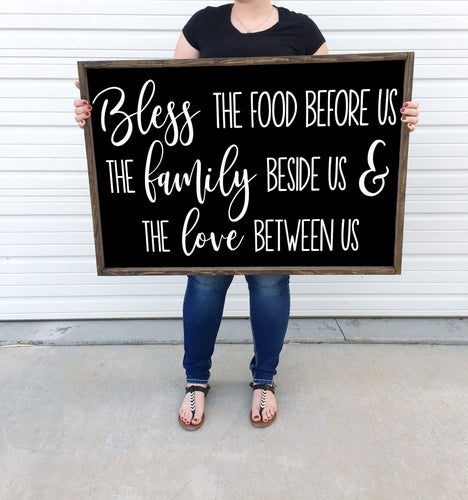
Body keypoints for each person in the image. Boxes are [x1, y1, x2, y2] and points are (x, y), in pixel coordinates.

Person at [74, 0, 420, 430]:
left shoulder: (303, 32)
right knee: (203, 281)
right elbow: (161, 102)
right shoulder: (202, 24)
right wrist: (101, 113)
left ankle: (264, 380)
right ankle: (196, 380)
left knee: (271, 281)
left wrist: (392, 116)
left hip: (278, 188)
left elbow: (338, 111)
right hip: (212, 186)